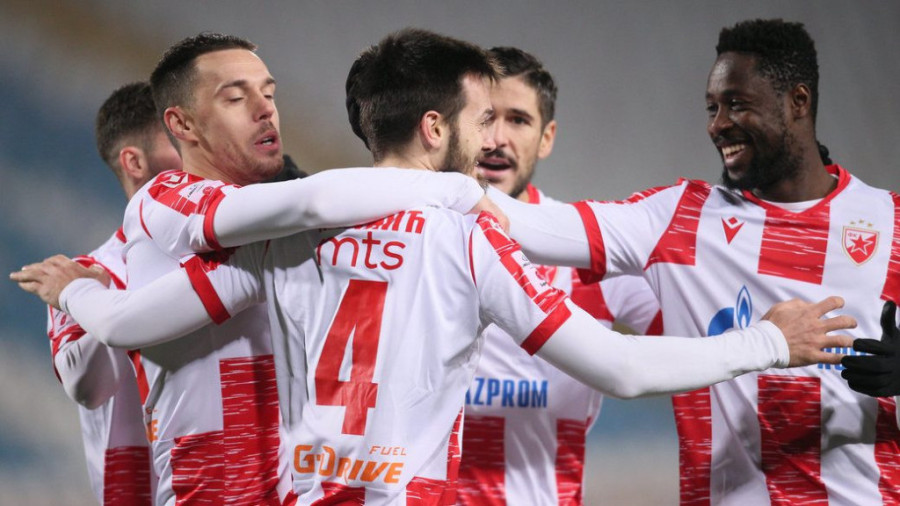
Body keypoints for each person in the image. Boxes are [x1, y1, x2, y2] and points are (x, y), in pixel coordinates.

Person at [12, 28, 855, 505]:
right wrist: (768, 343)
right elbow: (622, 368)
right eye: (480, 117)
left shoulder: (274, 241)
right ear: (433, 128)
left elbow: (128, 322)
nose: (491, 138)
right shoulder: (467, 238)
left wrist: (77, 290)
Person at [482, 18, 900, 505]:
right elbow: (524, 223)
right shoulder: (679, 220)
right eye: (712, 107)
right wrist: (426, 162)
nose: (717, 124)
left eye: (736, 104)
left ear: (798, 102)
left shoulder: (891, 222)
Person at [86, 32, 493, 505]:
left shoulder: (299, 223)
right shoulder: (162, 201)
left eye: (269, 93)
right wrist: (457, 190)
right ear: (182, 123)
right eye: (236, 98)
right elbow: (312, 203)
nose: (265, 109)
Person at [458, 46, 661, 506]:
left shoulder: (591, 256)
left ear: (546, 138)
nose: (495, 139)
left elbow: (702, 341)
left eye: (518, 120)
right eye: (484, 118)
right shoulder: (413, 243)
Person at [44, 82, 181, 505]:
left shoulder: (238, 252)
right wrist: (95, 296)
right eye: (179, 141)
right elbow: (90, 387)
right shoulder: (83, 276)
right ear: (134, 162)